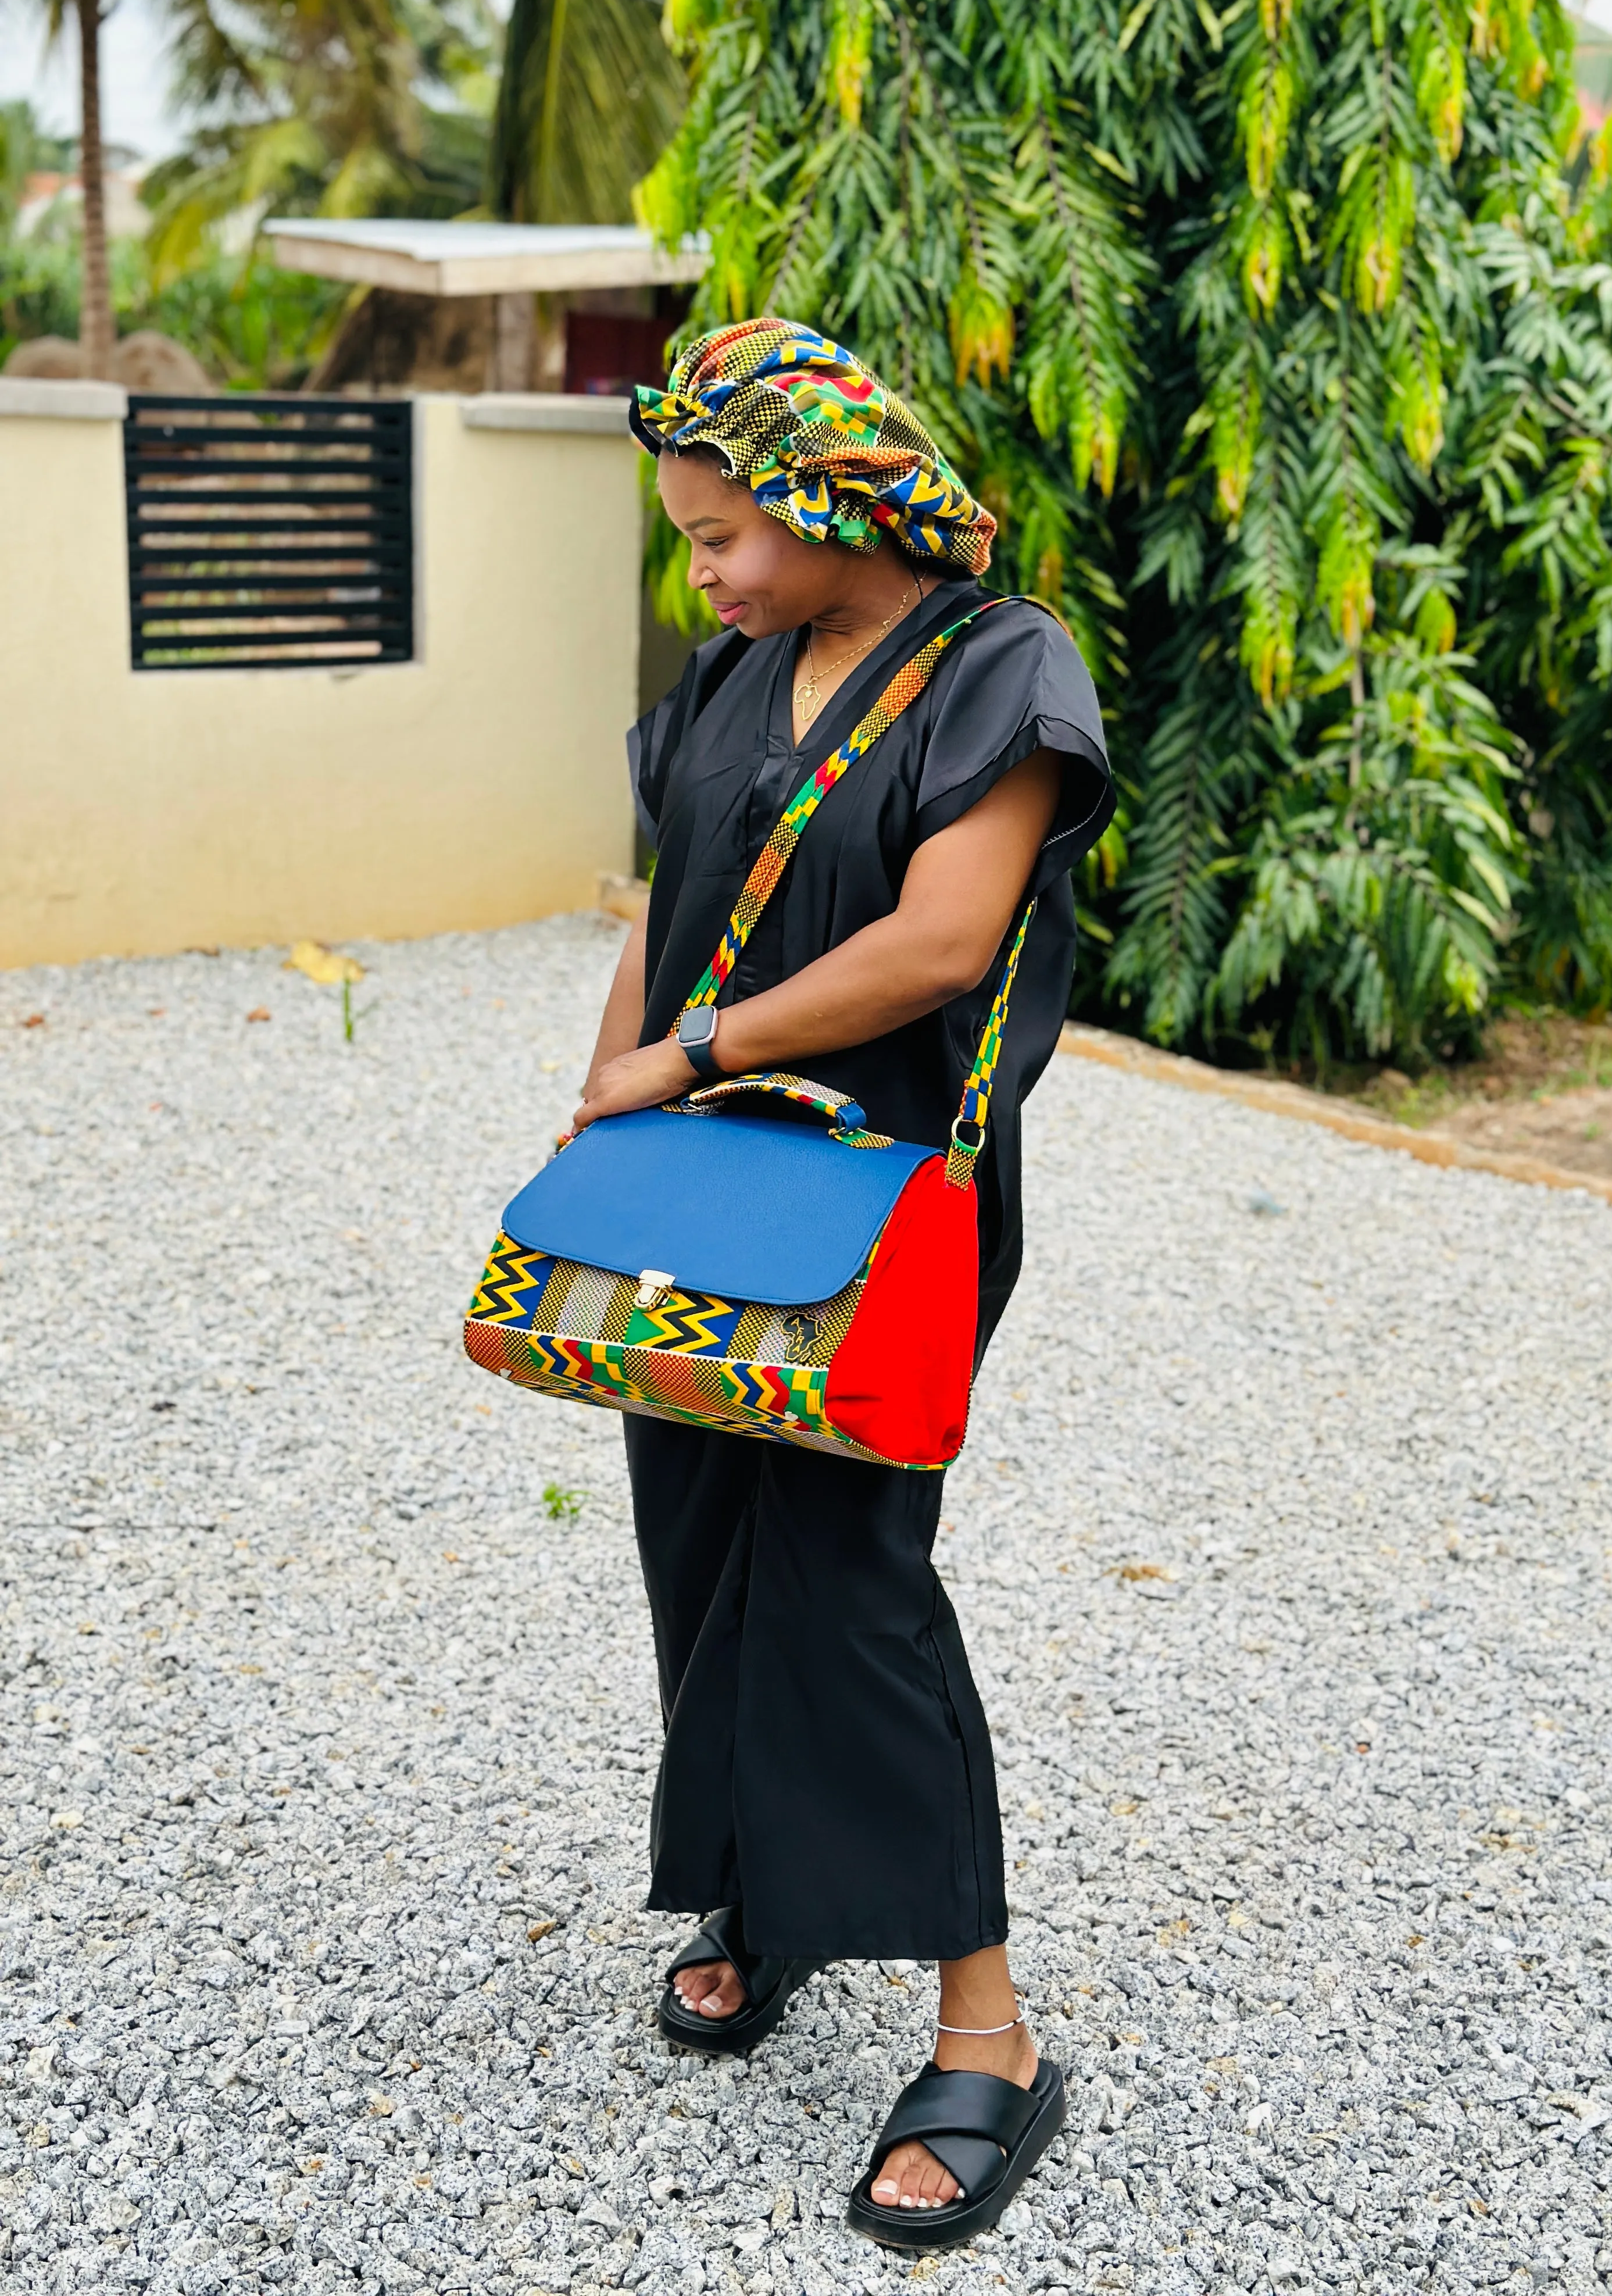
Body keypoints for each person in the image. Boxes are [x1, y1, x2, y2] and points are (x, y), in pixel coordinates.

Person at [570, 319, 1114, 2249]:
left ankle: (991, 2031)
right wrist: (603, 1121)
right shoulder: (734, 672)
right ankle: (768, 1900)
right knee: (697, 1534)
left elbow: (943, 943)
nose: (700, 571)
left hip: (882, 1209)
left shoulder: (999, 668)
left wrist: (683, 1063)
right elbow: (670, 912)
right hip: (698, 1188)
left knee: (853, 1578)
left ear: (822, 497)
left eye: (721, 533)